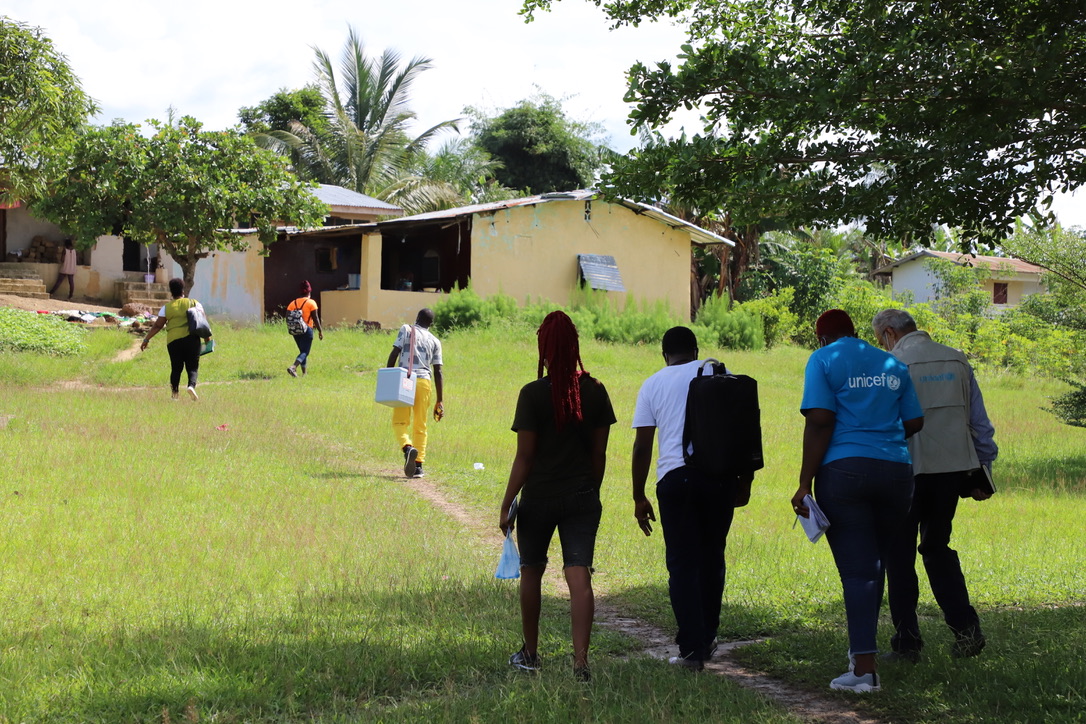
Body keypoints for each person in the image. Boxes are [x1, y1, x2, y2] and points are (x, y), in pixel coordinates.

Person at [792, 309, 924, 692]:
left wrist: (804, 483)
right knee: (877, 564)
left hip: (845, 474)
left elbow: (819, 418)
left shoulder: (823, 359)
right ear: (854, 332)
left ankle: (864, 670)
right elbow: (914, 422)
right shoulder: (890, 361)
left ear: (822, 338)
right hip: (897, 474)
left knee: (858, 571)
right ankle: (861, 658)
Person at [872, 309, 996, 661]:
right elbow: (980, 425)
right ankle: (966, 630)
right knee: (937, 547)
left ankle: (907, 643)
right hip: (951, 472)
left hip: (905, 472)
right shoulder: (957, 359)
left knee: (899, 556)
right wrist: (982, 468)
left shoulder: (891, 364)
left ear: (890, 334)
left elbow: (883, 424)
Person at [498, 311, 616, 681]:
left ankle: (531, 655)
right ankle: (581, 663)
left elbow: (526, 456)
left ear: (544, 350)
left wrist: (507, 504)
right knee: (578, 575)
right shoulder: (595, 390)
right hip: (582, 496)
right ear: (575, 346)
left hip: (539, 498)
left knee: (531, 571)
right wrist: (589, 491)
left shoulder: (533, 394)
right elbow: (600, 454)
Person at [631, 326, 752, 671]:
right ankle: (709, 636)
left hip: (676, 479)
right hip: (720, 479)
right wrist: (745, 481)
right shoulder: (720, 374)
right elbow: (743, 431)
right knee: (712, 556)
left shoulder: (653, 383)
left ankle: (691, 650)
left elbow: (642, 445)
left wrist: (638, 495)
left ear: (664, 354)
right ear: (697, 350)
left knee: (682, 564)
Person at [385, 308, 444, 478]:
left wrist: (389, 376)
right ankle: (418, 466)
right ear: (431, 324)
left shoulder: (406, 329)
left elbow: (395, 352)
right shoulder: (435, 340)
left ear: (417, 318)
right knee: (421, 424)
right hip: (424, 382)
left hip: (405, 379)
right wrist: (440, 400)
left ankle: (407, 448)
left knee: (399, 422)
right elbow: (438, 371)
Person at [140, 278, 204, 401]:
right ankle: (191, 386)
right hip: (192, 339)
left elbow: (158, 325)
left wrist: (146, 339)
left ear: (171, 292)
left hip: (173, 341)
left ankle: (175, 395)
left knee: (176, 368)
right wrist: (207, 338)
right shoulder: (194, 303)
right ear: (183, 290)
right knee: (192, 367)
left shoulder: (167, 307)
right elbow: (202, 321)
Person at [286, 280, 324, 377]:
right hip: (307, 330)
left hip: (295, 331)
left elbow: (287, 317)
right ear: (309, 292)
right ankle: (293, 367)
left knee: (302, 351)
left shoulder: (292, 303)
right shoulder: (311, 303)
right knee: (305, 352)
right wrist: (320, 331)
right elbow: (316, 318)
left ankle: (304, 373)